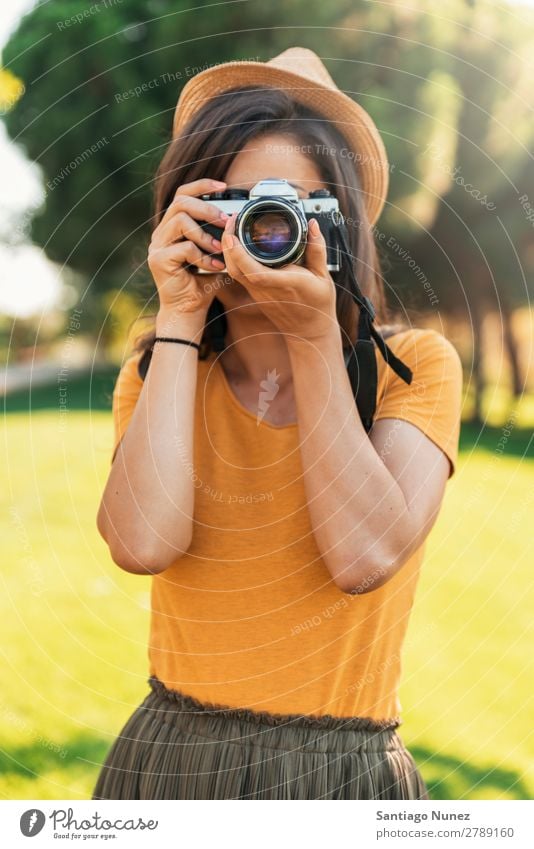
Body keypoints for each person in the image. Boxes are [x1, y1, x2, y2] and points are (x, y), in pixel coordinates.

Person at [92, 47, 463, 800]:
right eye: (237, 206)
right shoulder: (160, 369)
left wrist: (316, 338)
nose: (264, 228)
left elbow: (362, 555)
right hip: (172, 761)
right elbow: (141, 542)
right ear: (188, 213)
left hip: (341, 774)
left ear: (339, 224)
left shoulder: (417, 367)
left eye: (293, 205)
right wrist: (179, 315)